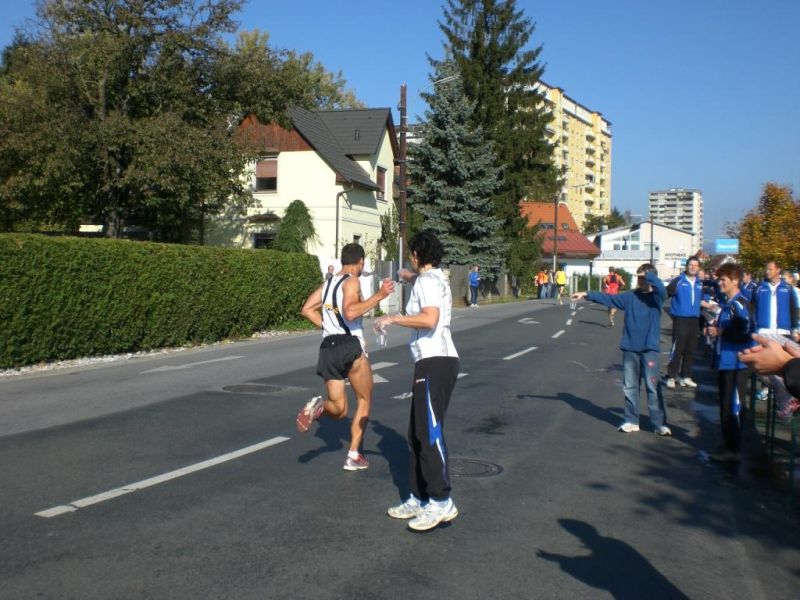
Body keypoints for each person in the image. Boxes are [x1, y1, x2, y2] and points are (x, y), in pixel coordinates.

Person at [375, 231, 460, 531]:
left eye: (412, 254)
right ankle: (418, 497)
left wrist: (392, 319)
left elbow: (429, 319)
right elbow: (424, 287)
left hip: (436, 361)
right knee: (416, 433)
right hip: (430, 362)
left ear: (417, 254)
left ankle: (441, 501)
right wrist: (408, 276)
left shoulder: (428, 282)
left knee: (429, 433)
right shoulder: (433, 278)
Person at [296, 243, 395, 471]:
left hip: (328, 347)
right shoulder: (352, 280)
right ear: (359, 262)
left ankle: (319, 405)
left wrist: (328, 327)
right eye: (362, 265)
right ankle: (353, 455)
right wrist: (379, 295)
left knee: (339, 410)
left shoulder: (328, 282)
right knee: (364, 398)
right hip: (349, 346)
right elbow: (350, 311)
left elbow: (306, 309)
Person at [572, 263, 672, 436]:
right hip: (630, 348)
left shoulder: (657, 297)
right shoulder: (630, 296)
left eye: (644, 277)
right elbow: (609, 299)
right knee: (630, 387)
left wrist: (649, 275)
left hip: (650, 349)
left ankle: (659, 423)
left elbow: (663, 290)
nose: (640, 280)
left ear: (651, 278)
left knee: (652, 387)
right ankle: (632, 420)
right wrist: (586, 294)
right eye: (639, 277)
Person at [704, 263, 755, 462]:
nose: (720, 283)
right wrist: (715, 328)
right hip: (726, 362)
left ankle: (733, 449)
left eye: (723, 279)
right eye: (719, 279)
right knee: (725, 405)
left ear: (735, 281)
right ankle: (728, 444)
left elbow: (745, 330)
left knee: (733, 407)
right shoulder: (729, 303)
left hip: (737, 363)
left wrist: (722, 331)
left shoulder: (739, 303)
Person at [664, 256, 704, 389]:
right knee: (677, 349)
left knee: (690, 349)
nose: (693, 267)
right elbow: (666, 294)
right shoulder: (679, 281)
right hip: (681, 319)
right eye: (691, 265)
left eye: (695, 265)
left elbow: (700, 300)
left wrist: (710, 306)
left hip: (694, 319)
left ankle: (685, 376)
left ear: (698, 268)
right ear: (687, 266)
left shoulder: (699, 283)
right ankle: (671, 377)